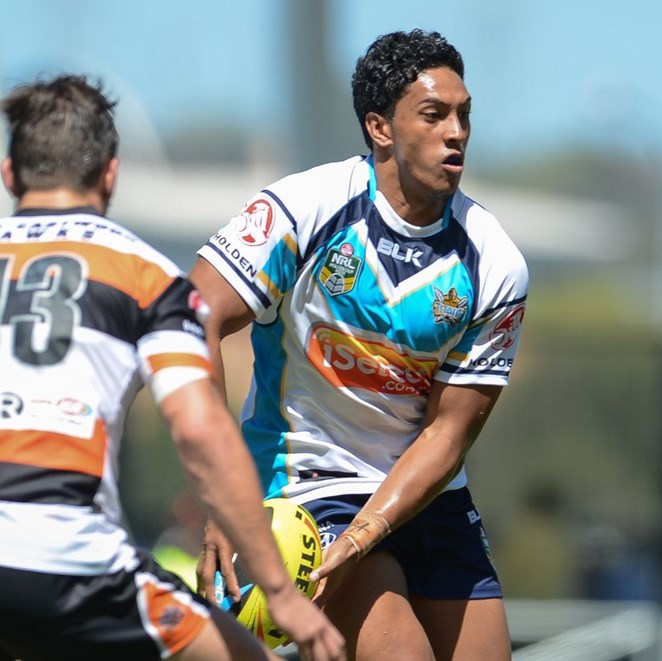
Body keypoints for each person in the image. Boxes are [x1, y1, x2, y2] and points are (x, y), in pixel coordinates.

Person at [192, 29, 528, 660]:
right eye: (434, 115)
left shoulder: (495, 262)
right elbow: (195, 317)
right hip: (311, 486)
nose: (456, 132)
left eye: (464, 115)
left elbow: (447, 434)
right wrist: (220, 492)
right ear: (380, 128)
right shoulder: (303, 209)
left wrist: (372, 527)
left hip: (424, 495)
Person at [0, 75, 345, 661]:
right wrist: (281, 593)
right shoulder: (149, 278)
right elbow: (198, 429)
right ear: (110, 173)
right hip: (74, 566)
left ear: (9, 174)